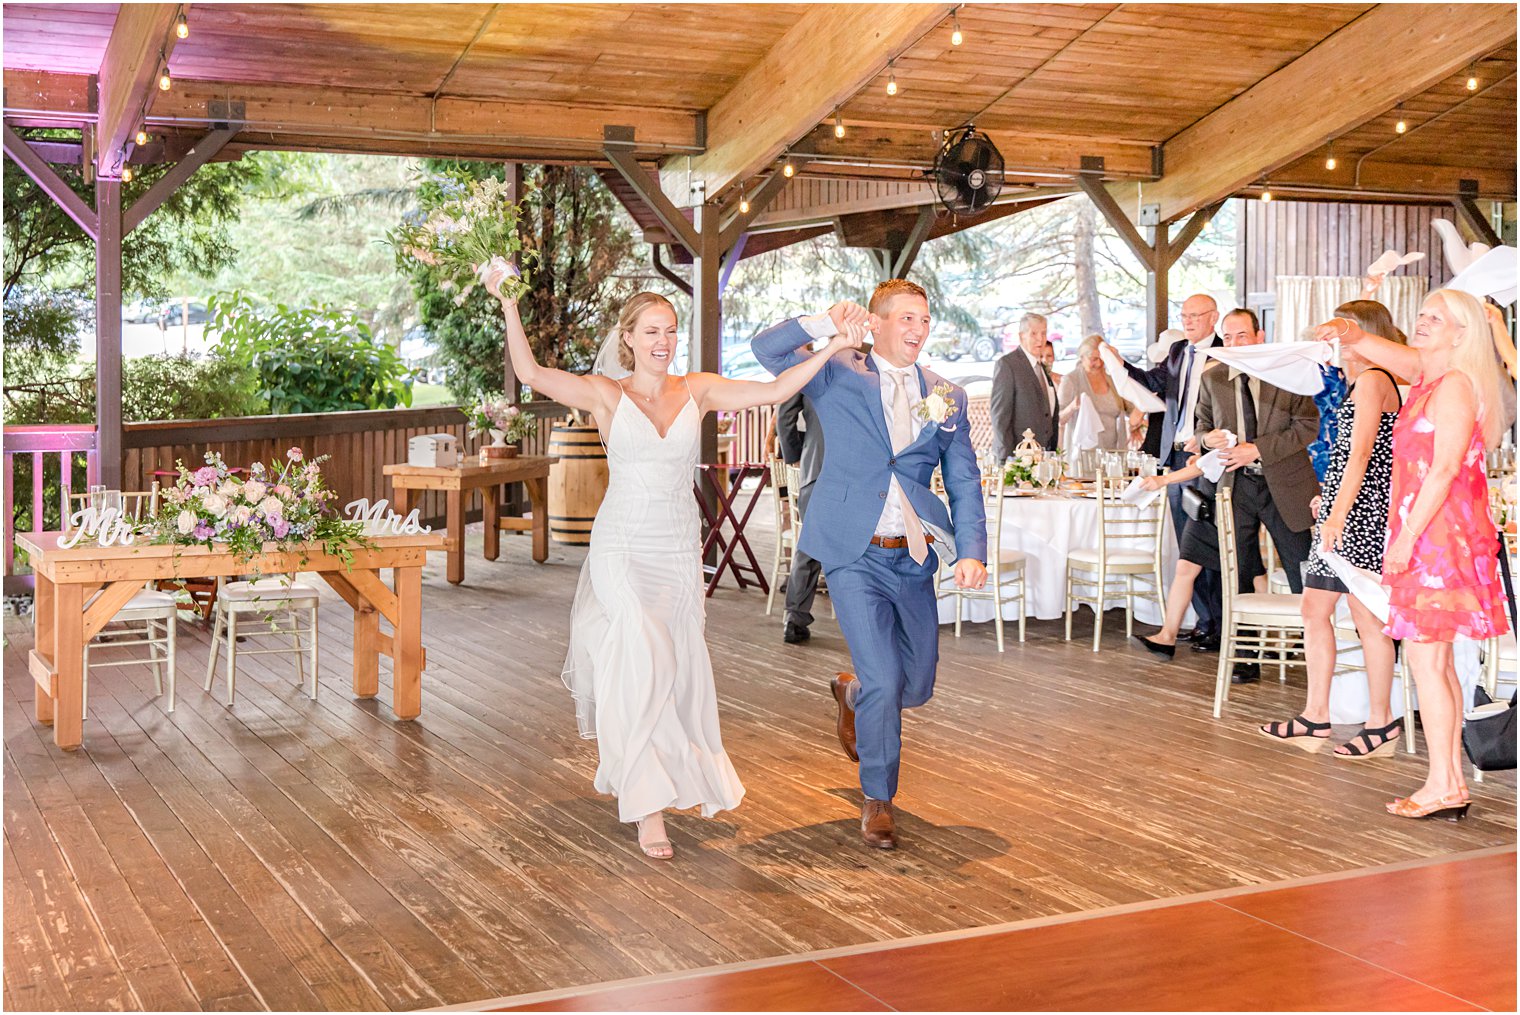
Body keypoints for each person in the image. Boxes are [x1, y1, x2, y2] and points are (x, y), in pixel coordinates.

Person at [485, 273, 866, 859]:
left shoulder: (700, 388)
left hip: (675, 547)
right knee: (642, 649)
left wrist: (834, 346)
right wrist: (510, 302)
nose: (663, 341)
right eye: (652, 332)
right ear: (629, 339)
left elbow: (775, 388)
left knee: (674, 664)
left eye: (670, 331)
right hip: (621, 545)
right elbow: (532, 375)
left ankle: (658, 787)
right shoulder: (606, 395)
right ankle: (646, 809)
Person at [753, 279, 988, 850]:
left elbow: (963, 479)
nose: (918, 329)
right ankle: (878, 799)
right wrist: (824, 325)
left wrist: (973, 550)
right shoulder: (838, 371)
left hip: (914, 554)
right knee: (888, 678)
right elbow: (767, 351)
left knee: (917, 684)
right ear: (878, 324)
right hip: (852, 553)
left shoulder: (947, 396)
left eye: (924, 319)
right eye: (906, 318)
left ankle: (854, 695)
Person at [1315, 289, 1510, 821]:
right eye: (1420, 315)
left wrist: (1403, 539)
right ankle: (1446, 782)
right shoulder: (1429, 376)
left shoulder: (1454, 386)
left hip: (1439, 536)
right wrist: (1354, 336)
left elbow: (1445, 470)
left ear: (1461, 333)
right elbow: (1394, 355)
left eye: (1433, 319)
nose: (1421, 324)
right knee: (1435, 662)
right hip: (1434, 531)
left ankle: (1442, 783)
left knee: (1427, 660)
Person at [1260, 301, 1405, 755]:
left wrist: (1339, 511)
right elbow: (1349, 456)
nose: (1333, 344)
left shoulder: (1376, 379)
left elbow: (1363, 454)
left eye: (1341, 333)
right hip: (1343, 509)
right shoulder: (1360, 382)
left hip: (1361, 515)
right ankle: (1316, 715)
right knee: (1314, 610)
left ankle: (1381, 721)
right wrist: (1330, 498)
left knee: (1366, 618)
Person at [1194, 308, 1321, 681]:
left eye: (1241, 336)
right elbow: (1201, 426)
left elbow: (1308, 426)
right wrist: (1207, 439)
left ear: (1260, 335)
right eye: (1228, 337)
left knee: (1302, 567)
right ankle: (1246, 656)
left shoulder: (1286, 371)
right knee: (1241, 571)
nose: (1234, 344)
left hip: (1286, 483)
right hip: (1236, 486)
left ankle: (1315, 649)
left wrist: (1259, 448)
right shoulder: (1213, 376)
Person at [1117, 295, 1224, 647]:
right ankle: (1203, 620)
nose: (1189, 321)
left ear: (1213, 318)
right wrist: (1123, 366)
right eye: (1185, 315)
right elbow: (1153, 382)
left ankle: (1218, 622)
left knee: (1207, 544)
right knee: (1185, 544)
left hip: (1206, 459)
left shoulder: (1226, 352)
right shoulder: (1178, 350)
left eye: (1196, 316)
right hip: (1174, 456)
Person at [777, 392, 823, 644]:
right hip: (859, 474)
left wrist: (797, 454)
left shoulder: (811, 368)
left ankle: (794, 617)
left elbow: (785, 416)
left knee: (810, 546)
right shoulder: (867, 365)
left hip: (815, 468)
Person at [990, 313, 1059, 459]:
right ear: (1022, 336)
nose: (1040, 339)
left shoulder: (1041, 368)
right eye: (1034, 333)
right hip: (1018, 460)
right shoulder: (1008, 365)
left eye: (1043, 333)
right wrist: (1008, 461)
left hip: (1044, 459)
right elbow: (1000, 418)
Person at [1059, 334, 1138, 452]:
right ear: (1082, 357)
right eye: (1093, 359)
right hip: (1083, 453)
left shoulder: (1112, 379)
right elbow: (1059, 419)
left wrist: (1135, 427)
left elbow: (1131, 409)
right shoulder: (1070, 380)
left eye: (1102, 359)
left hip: (1113, 452)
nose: (1099, 364)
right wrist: (1071, 407)